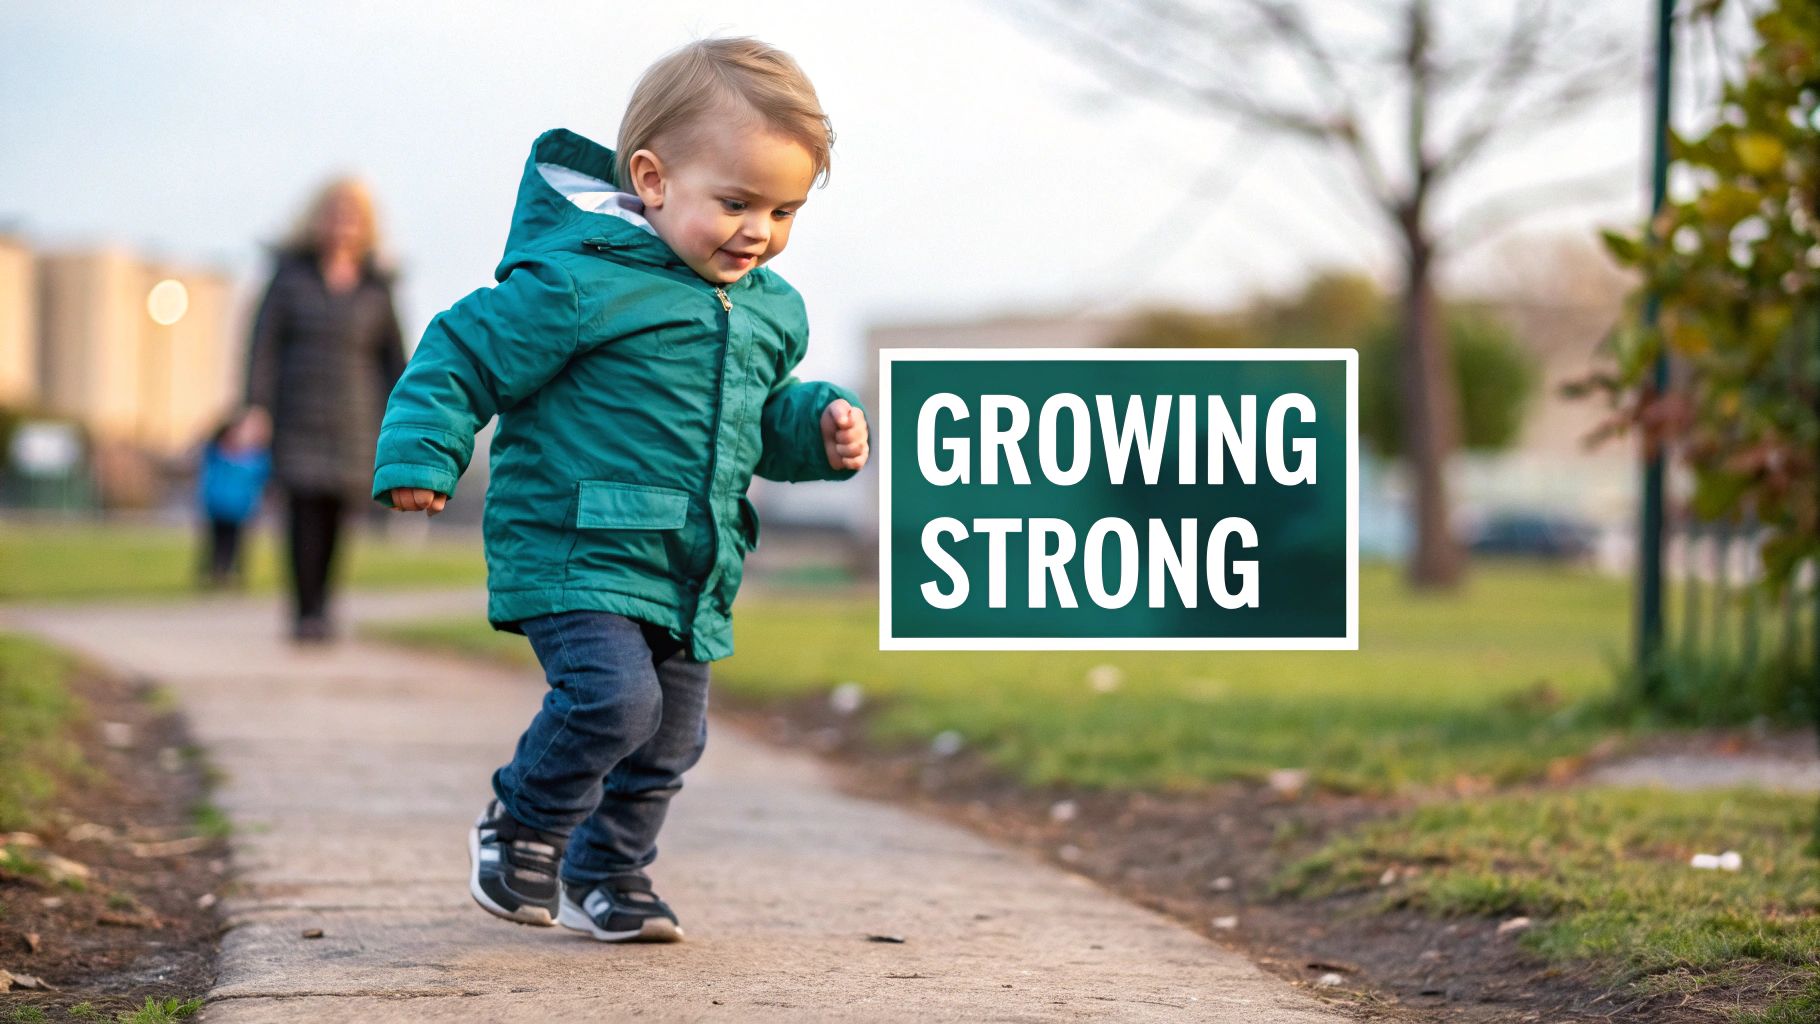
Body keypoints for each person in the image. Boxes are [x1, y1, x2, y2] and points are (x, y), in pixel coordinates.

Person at [373, 37, 869, 943]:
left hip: (688, 566)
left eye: (784, 210)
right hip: (574, 542)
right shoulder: (579, 282)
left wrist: (822, 428)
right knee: (615, 702)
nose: (758, 230)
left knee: (670, 742)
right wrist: (424, 450)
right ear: (652, 178)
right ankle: (521, 825)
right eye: (735, 202)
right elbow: (464, 351)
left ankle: (608, 872)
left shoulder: (768, 310)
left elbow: (758, 420)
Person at [243, 178, 408, 643]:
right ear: (317, 220)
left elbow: (395, 359)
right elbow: (262, 346)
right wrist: (256, 407)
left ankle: (323, 607)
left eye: (352, 217)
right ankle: (304, 610)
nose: (342, 225)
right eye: (334, 215)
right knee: (301, 510)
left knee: (337, 513)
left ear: (366, 226)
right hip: (296, 411)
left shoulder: (378, 287)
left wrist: (408, 417)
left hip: (354, 417)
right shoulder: (288, 276)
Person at [195, 414, 271, 589]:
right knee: (216, 543)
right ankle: (214, 573)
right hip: (218, 506)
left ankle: (234, 575)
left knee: (237, 544)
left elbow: (264, 476)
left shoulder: (253, 458)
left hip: (240, 508)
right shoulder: (217, 454)